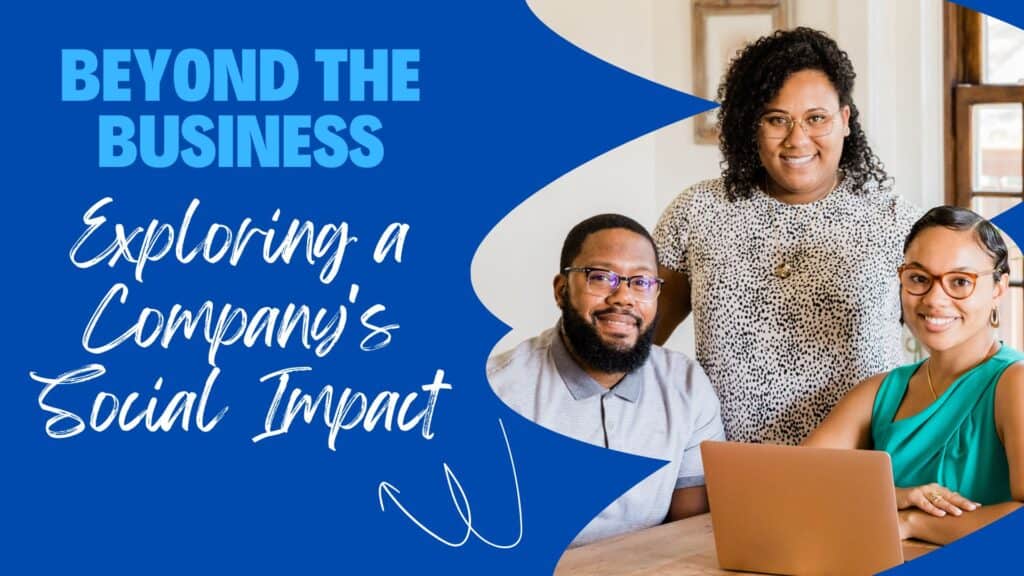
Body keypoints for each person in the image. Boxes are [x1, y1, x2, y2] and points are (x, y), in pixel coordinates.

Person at [653, 27, 920, 444]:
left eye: (817, 118)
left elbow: (949, 350)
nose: (798, 139)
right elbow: (637, 341)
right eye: (777, 119)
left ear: (845, 120)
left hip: (862, 466)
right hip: (729, 467)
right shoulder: (696, 212)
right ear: (751, 125)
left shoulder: (894, 221)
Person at [488, 213, 725, 547]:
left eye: (641, 282)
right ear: (561, 290)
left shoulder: (686, 385)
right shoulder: (497, 391)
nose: (623, 297)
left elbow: (689, 533)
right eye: (601, 278)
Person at [804, 206, 1024, 545]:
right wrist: (897, 495)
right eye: (919, 279)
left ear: (998, 288)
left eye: (960, 282)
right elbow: (795, 483)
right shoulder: (879, 392)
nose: (935, 300)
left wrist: (912, 524)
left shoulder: (1015, 384)